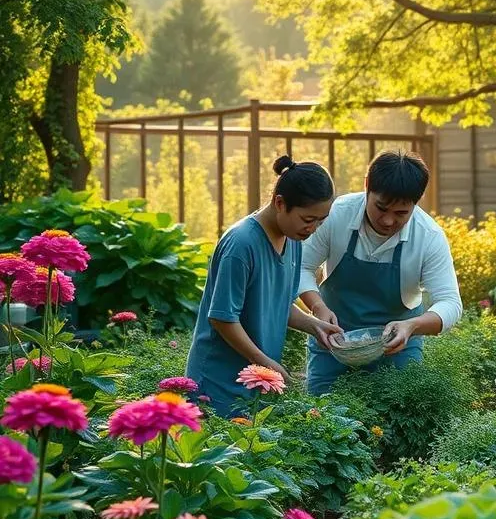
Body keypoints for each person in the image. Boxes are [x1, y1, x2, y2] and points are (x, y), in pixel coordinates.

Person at [186, 155, 341, 416]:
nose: (313, 228)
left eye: (320, 221)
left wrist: (315, 326)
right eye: (307, 219)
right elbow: (223, 318)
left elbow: (279, 302)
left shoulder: (293, 240)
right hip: (217, 383)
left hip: (255, 382)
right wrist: (267, 363)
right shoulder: (241, 244)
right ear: (280, 203)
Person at [299, 149, 463, 394]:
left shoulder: (428, 236)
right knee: (322, 418)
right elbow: (301, 266)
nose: (387, 221)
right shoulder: (336, 215)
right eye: (381, 208)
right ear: (367, 185)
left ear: (417, 202)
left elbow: (450, 303)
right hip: (333, 341)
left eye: (401, 213)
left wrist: (413, 326)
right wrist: (318, 307)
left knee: (398, 420)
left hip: (397, 348)